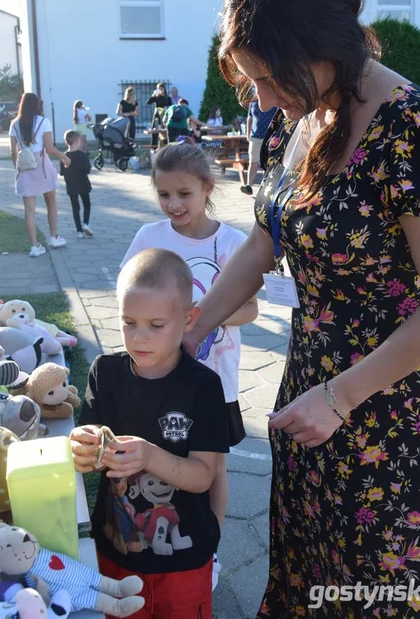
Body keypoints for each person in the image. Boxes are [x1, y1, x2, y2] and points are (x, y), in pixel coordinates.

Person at [181, 0, 420, 618]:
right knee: (306, 568)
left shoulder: (413, 129)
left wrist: (338, 399)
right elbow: (266, 239)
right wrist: (194, 328)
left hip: (383, 412)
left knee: (369, 589)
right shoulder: (311, 113)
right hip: (309, 386)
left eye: (267, 78)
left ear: (321, 50)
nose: (261, 99)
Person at [121, 143, 258, 587]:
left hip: (216, 382)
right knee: (163, 462)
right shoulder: (148, 238)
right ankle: (158, 533)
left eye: (184, 193)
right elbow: (129, 297)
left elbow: (250, 309)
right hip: (160, 380)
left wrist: (199, 315)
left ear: (207, 188)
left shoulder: (233, 243)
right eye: (164, 195)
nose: (174, 205)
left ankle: (209, 549)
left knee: (212, 467)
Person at [69, 247, 229, 619]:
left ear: (189, 319)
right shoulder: (105, 371)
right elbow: (86, 450)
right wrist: (84, 445)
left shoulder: (203, 386)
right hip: (117, 552)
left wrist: (150, 456)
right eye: (128, 322)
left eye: (156, 325)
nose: (139, 337)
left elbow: (204, 475)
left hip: (185, 559)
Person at [9, 92, 70, 258]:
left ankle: (35, 247)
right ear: (37, 105)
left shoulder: (14, 124)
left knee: (29, 211)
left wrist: (18, 167)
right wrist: (63, 156)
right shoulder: (44, 122)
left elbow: (13, 153)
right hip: (42, 166)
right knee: (51, 202)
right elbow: (49, 149)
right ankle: (54, 238)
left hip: (25, 167)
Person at [60, 130, 93, 238]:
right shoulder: (82, 155)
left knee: (75, 208)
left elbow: (62, 172)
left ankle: (79, 231)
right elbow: (87, 170)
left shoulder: (64, 157)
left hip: (71, 185)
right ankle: (86, 224)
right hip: (83, 183)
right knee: (86, 204)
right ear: (76, 142)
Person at [240, 99, 277, 195]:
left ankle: (265, 186)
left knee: (267, 163)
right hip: (255, 136)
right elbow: (249, 118)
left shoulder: (272, 100)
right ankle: (249, 185)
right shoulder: (252, 103)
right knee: (253, 161)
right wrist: (248, 134)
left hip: (270, 137)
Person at [147, 83, 172, 149]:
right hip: (157, 116)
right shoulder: (156, 97)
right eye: (158, 89)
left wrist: (166, 109)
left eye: (161, 88)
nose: (160, 90)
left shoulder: (168, 98)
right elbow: (148, 102)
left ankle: (166, 147)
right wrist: (153, 95)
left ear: (164, 89)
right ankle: (153, 148)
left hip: (165, 117)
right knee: (154, 131)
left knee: (165, 132)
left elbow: (171, 107)